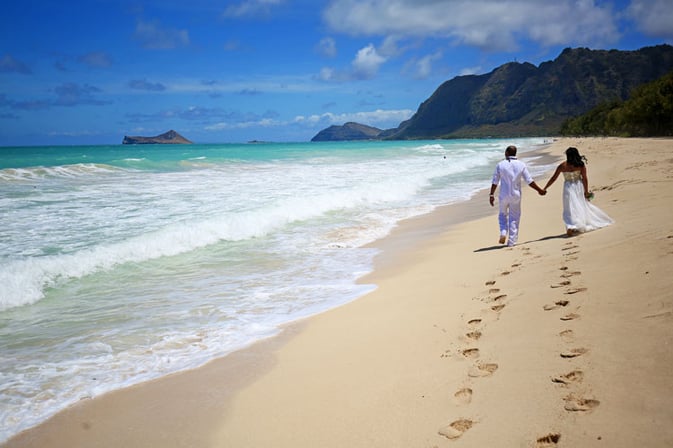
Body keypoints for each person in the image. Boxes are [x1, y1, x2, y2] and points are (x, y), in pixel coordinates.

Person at [542, 147, 613, 236]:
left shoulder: (562, 166)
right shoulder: (580, 165)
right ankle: (577, 224)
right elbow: (585, 178)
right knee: (580, 204)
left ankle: (571, 226)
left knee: (569, 207)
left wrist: (545, 188)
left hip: (568, 187)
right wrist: (586, 191)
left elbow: (553, 178)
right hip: (579, 186)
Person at [489, 145, 546, 246]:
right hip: (516, 195)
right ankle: (511, 241)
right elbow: (529, 181)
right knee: (514, 217)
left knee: (502, 214)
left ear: (506, 153)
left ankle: (503, 232)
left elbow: (495, 181)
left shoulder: (500, 165)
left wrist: (491, 194)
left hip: (503, 194)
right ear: (515, 153)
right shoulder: (521, 165)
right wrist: (539, 190)